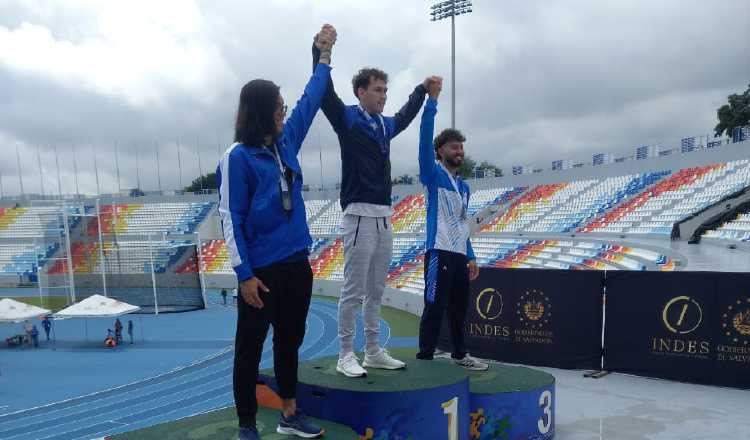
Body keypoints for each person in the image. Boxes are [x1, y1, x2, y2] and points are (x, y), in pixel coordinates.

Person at [217, 24, 336, 440]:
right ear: (261, 111)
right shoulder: (237, 157)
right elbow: (230, 217)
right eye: (279, 109)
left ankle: (289, 414)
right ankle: (247, 425)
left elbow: (312, 99)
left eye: (285, 109)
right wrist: (244, 274)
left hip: (296, 264)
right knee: (248, 351)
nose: (285, 113)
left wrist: (323, 56)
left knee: (290, 343)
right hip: (260, 274)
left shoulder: (286, 144)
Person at [312, 36, 436, 378]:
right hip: (357, 216)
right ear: (360, 92)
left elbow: (407, 115)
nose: (383, 95)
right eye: (378, 89)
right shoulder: (348, 119)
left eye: (385, 90)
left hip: (384, 216)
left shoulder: (384, 125)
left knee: (377, 289)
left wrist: (421, 91)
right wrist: (321, 53)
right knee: (353, 290)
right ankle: (345, 354)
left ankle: (373, 350)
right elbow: (324, 94)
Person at [415, 77, 488, 371]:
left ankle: (460, 354)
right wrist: (431, 102)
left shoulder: (465, 187)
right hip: (438, 252)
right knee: (434, 306)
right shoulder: (432, 176)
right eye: (453, 147)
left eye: (461, 147)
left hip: (458, 255)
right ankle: (425, 357)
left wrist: (470, 255)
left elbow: (461, 225)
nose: (459, 151)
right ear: (440, 150)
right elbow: (423, 138)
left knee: (459, 310)